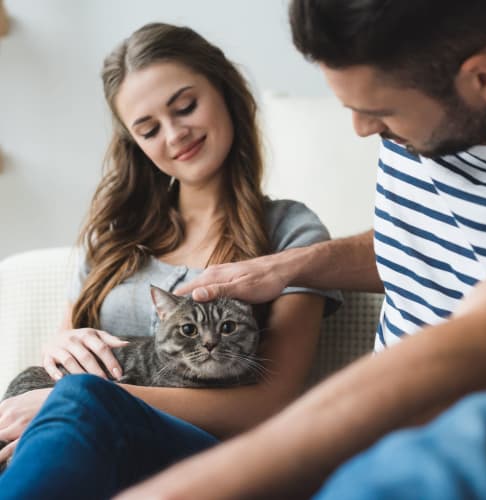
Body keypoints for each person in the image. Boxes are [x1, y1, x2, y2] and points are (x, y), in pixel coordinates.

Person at [113, 1, 486, 499]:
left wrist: (208, 482)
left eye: (380, 112)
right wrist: (288, 267)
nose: (363, 130)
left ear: (485, 79)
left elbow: (478, 342)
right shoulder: (426, 123)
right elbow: (423, 241)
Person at [0, 22, 340, 499]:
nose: (176, 133)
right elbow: (63, 350)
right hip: (74, 438)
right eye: (149, 128)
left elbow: (270, 402)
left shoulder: (290, 232)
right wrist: (63, 351)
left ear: (224, 91)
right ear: (135, 144)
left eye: (185, 107)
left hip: (202, 455)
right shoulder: (113, 237)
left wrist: (92, 398)